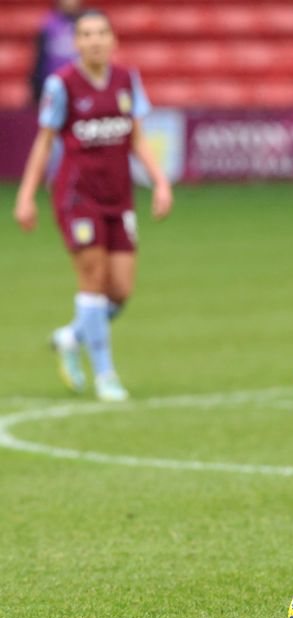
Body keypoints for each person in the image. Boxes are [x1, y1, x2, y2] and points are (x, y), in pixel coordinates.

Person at [13, 9, 173, 401]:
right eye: (87, 34)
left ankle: (70, 337)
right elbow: (45, 141)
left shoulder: (126, 79)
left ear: (113, 39)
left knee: (119, 290)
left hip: (119, 196)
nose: (95, 40)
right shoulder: (61, 84)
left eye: (102, 32)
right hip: (77, 196)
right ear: (76, 42)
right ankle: (105, 375)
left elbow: (136, 138)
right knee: (93, 280)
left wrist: (160, 181)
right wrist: (26, 194)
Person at [29, 0, 82, 104]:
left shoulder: (84, 22)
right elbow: (39, 57)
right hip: (53, 83)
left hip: (78, 84)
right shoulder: (48, 22)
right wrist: (36, 85)